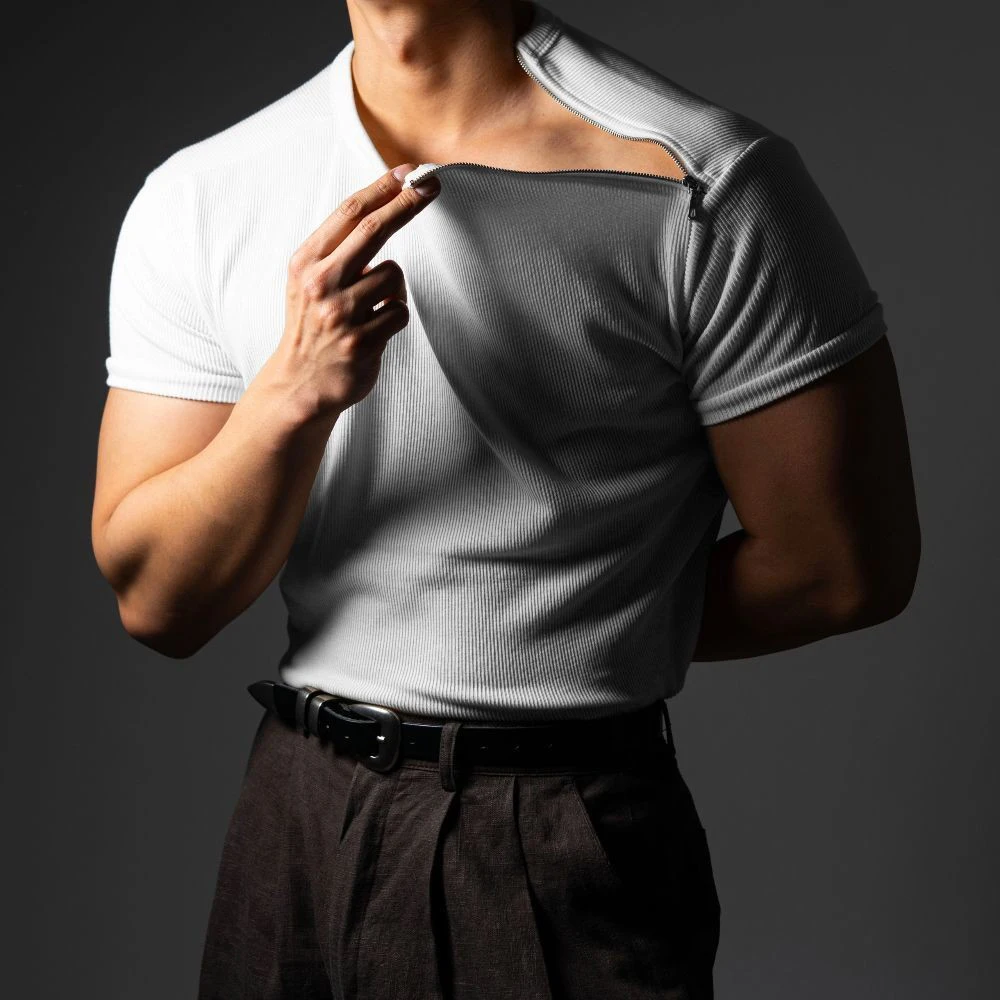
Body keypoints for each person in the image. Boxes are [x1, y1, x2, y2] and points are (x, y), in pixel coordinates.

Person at [91, 1, 920, 997]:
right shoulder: (200, 194)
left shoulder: (703, 181)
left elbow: (840, 569)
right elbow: (159, 603)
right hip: (294, 807)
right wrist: (288, 396)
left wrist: (563, 620)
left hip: (551, 823)